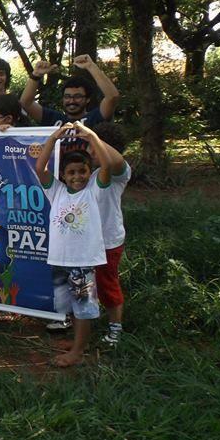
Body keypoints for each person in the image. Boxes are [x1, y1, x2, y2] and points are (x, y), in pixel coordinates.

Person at [34, 122, 112, 367]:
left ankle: (77, 352)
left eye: (82, 171)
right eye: (71, 172)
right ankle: (78, 343)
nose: (77, 176)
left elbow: (107, 164)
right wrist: (54, 138)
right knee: (70, 307)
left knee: (83, 308)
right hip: (60, 259)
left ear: (90, 172)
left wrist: (91, 136)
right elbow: (40, 166)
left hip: (82, 262)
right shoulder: (56, 191)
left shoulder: (94, 190)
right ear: (63, 176)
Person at [89, 123, 130, 346]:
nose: (90, 151)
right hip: (86, 241)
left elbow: (114, 160)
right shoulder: (92, 172)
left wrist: (91, 134)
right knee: (85, 284)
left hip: (108, 241)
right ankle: (86, 320)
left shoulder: (118, 173)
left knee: (107, 284)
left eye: (94, 147)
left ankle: (115, 328)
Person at [21, 54, 120, 128]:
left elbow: (112, 96)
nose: (71, 101)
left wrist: (91, 66)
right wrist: (36, 75)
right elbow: (26, 103)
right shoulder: (53, 119)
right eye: (67, 97)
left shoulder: (95, 117)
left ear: (88, 99)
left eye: (77, 96)